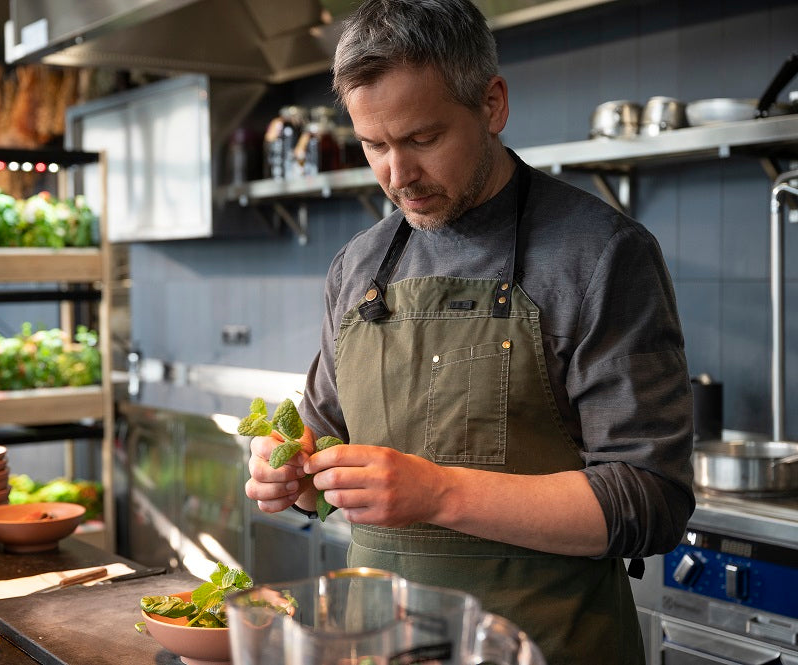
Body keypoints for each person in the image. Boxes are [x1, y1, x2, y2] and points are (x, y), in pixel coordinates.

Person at [244, 1, 695, 663]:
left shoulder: (599, 255)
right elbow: (322, 449)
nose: (398, 175)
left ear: (492, 105)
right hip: (382, 646)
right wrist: (288, 475)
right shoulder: (359, 266)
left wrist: (438, 492)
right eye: (375, 145)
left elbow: (650, 498)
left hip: (550, 648)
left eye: (422, 139)